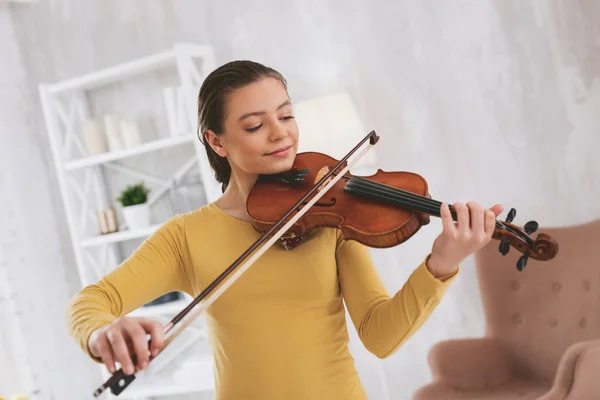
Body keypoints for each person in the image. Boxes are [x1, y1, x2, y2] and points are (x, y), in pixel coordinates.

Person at [65, 60, 504, 400]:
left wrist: (442, 263)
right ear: (217, 142)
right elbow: (91, 303)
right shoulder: (187, 237)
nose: (280, 135)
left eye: (287, 116)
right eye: (255, 125)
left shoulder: (327, 213)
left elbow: (380, 335)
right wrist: (102, 333)